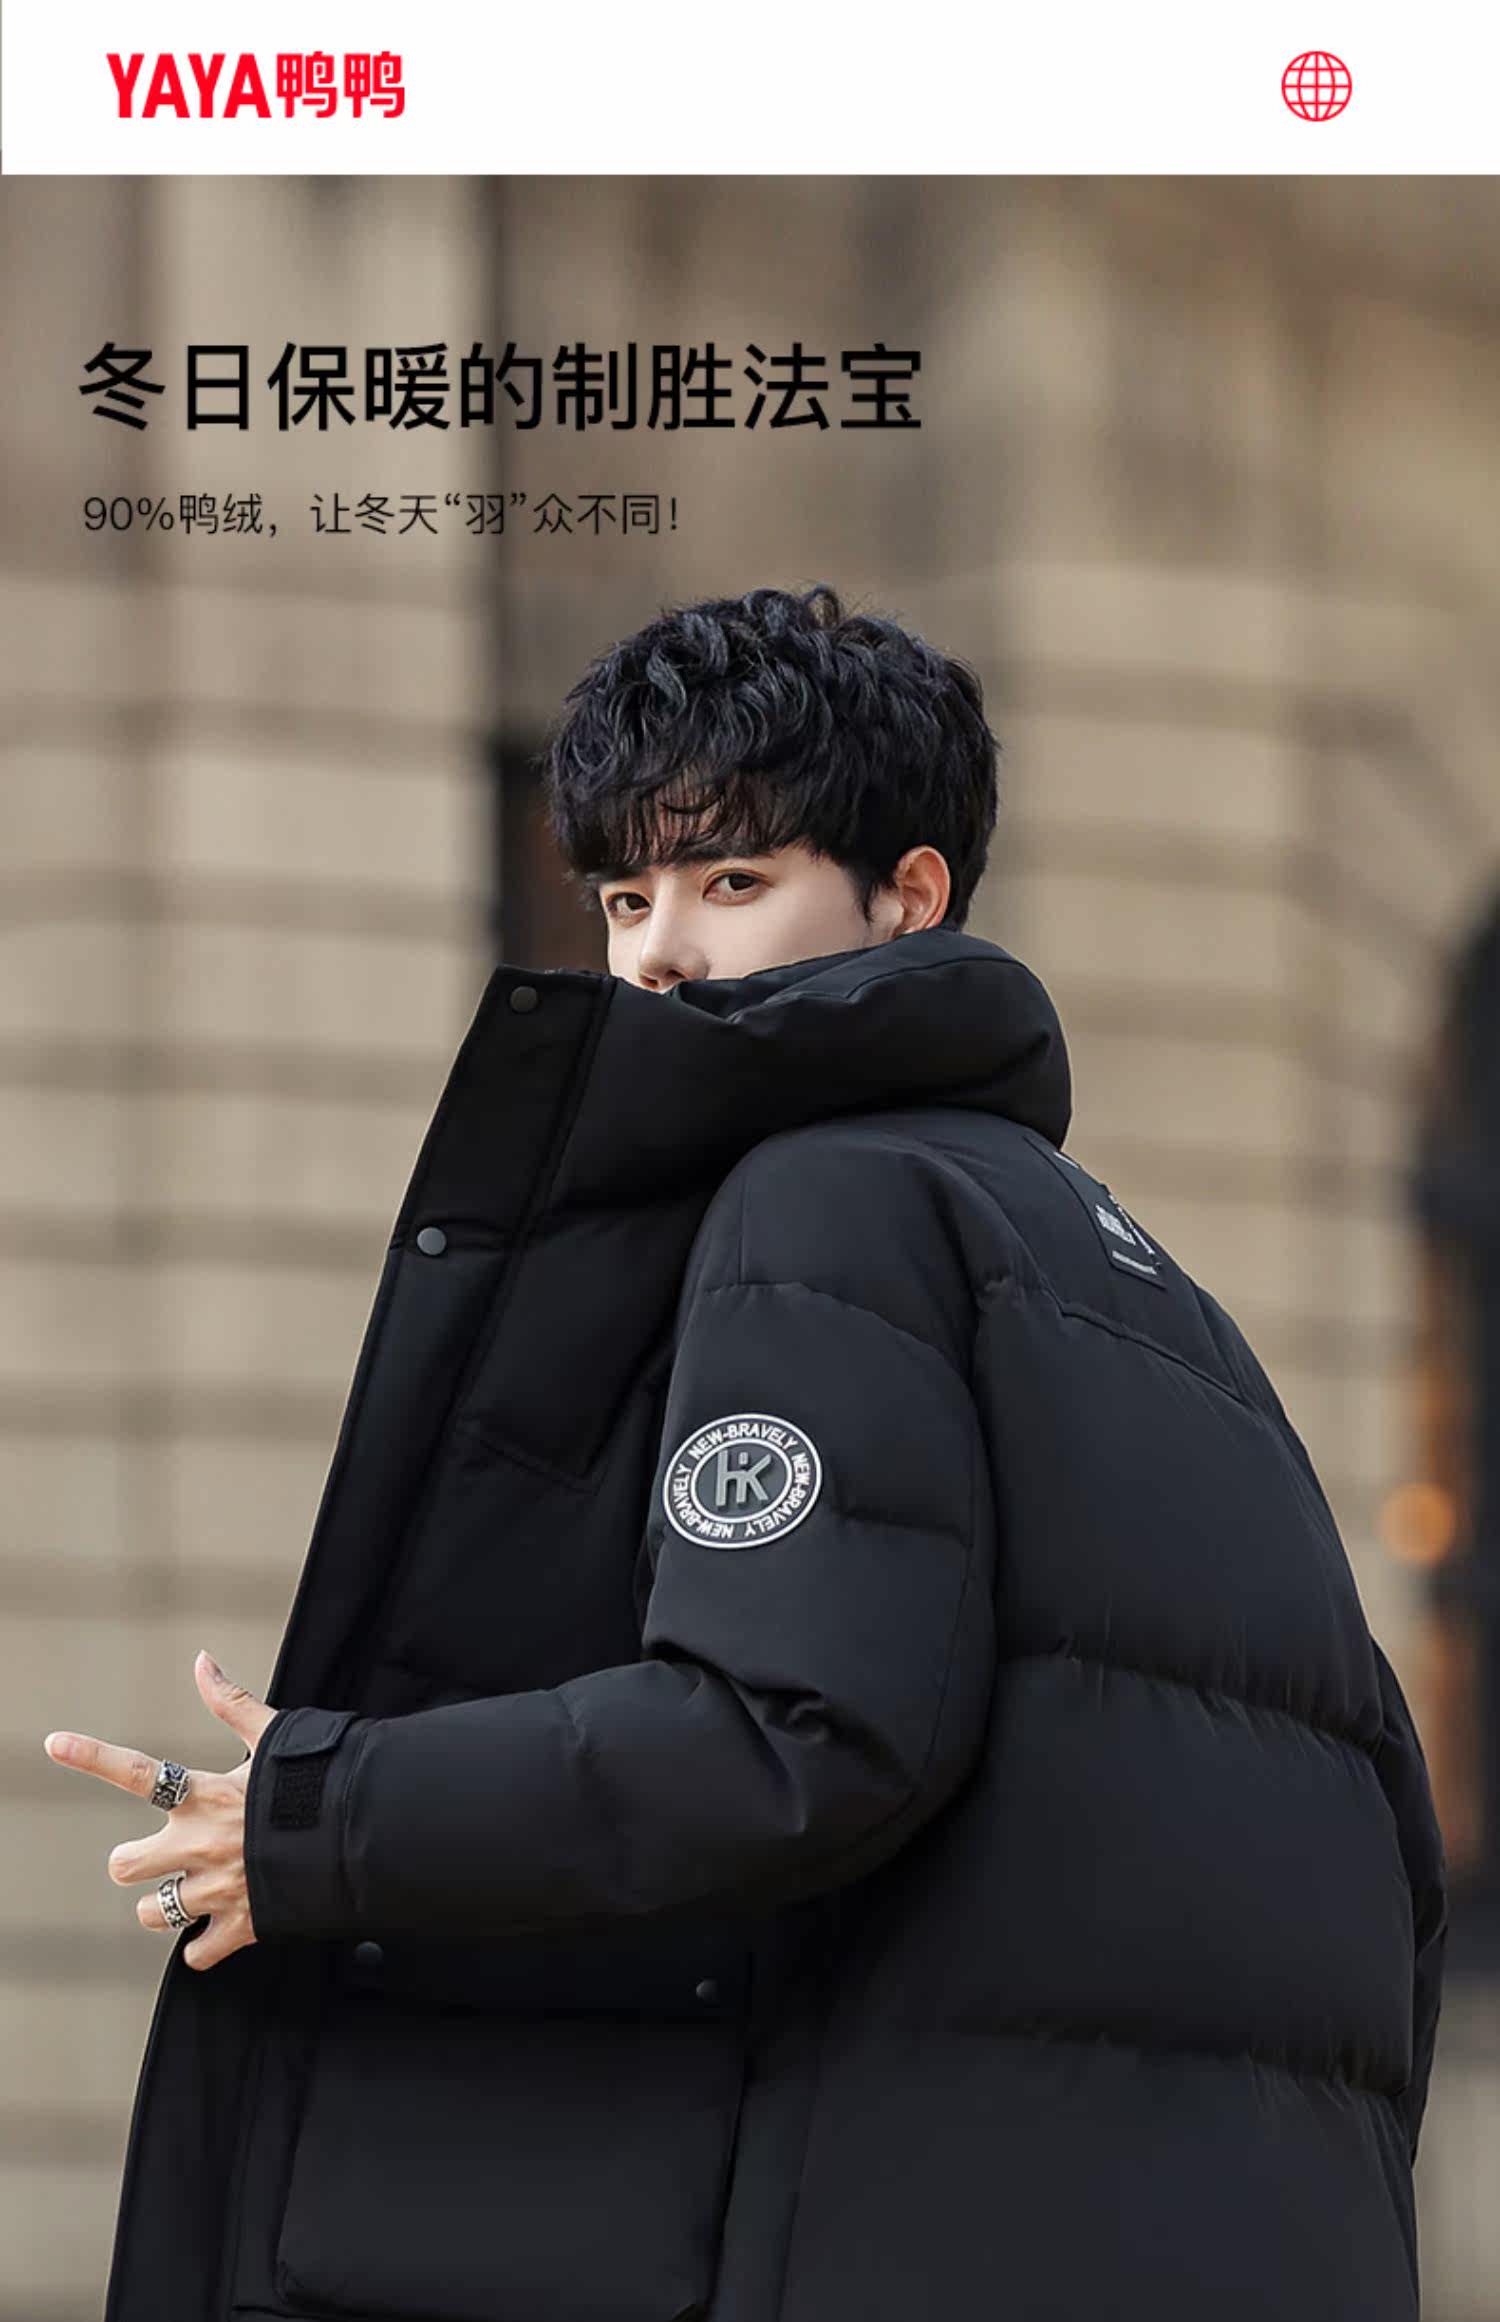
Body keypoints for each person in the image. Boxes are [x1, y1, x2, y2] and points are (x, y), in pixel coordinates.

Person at [51, 583, 1445, 2322]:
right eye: (625, 897)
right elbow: (1387, 1837)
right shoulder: (1142, 1286)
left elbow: (799, 1728)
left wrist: (327, 1817)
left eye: (730, 882)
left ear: (909, 894)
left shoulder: (823, 1202)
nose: (656, 954)